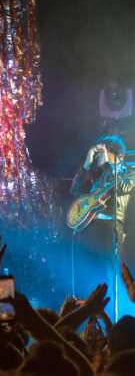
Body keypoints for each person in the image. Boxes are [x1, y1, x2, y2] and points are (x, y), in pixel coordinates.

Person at [70, 135, 135, 315]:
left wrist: (108, 164)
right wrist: (86, 164)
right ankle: (87, 318)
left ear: (118, 156)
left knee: (108, 276)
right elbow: (74, 189)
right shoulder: (97, 176)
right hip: (88, 229)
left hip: (109, 230)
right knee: (86, 273)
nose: (101, 157)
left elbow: (120, 186)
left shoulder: (130, 173)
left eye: (105, 153)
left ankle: (118, 319)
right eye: (99, 154)